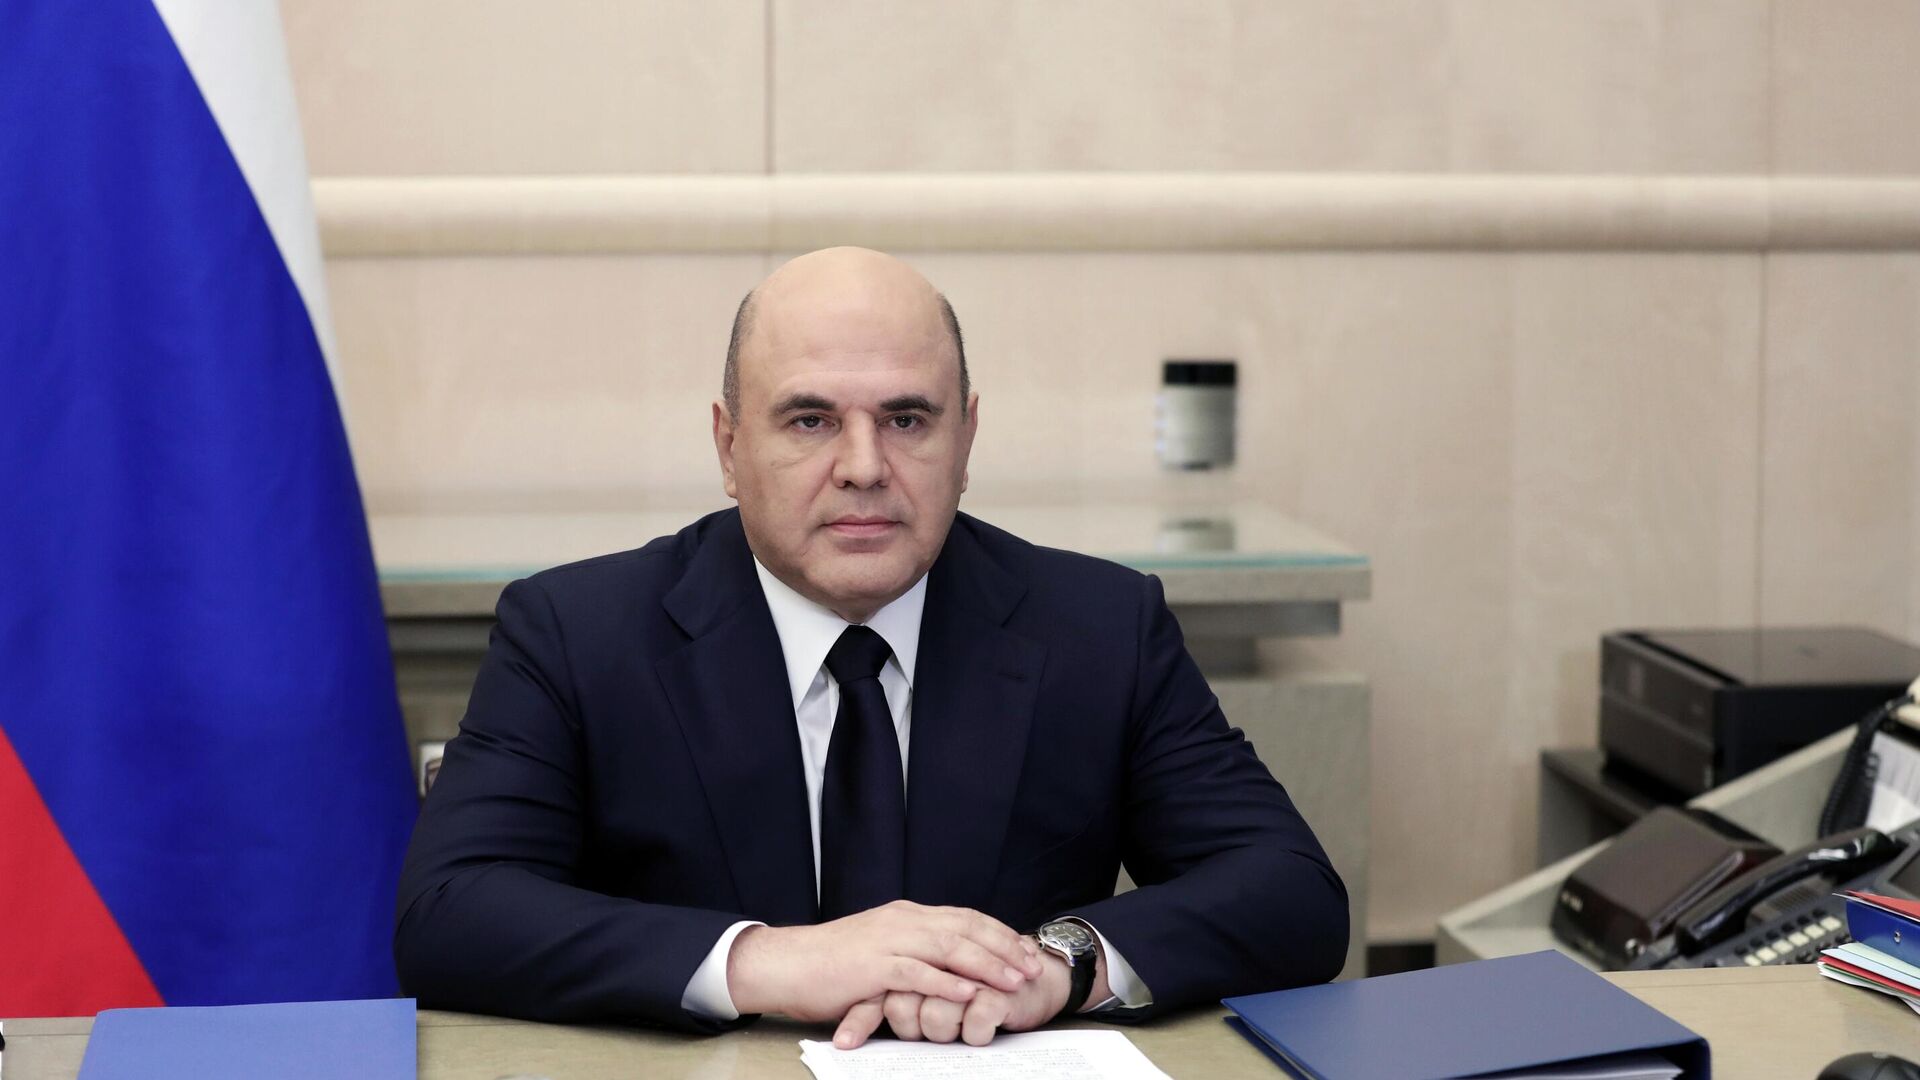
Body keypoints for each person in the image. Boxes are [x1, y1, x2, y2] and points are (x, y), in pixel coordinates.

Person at [394, 247, 1347, 1047]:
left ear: (966, 438)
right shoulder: (578, 632)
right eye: (810, 421)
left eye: (907, 419)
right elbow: (448, 911)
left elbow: (1291, 892)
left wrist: (1056, 965)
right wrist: (770, 960)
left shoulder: (1098, 627)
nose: (862, 467)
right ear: (728, 447)